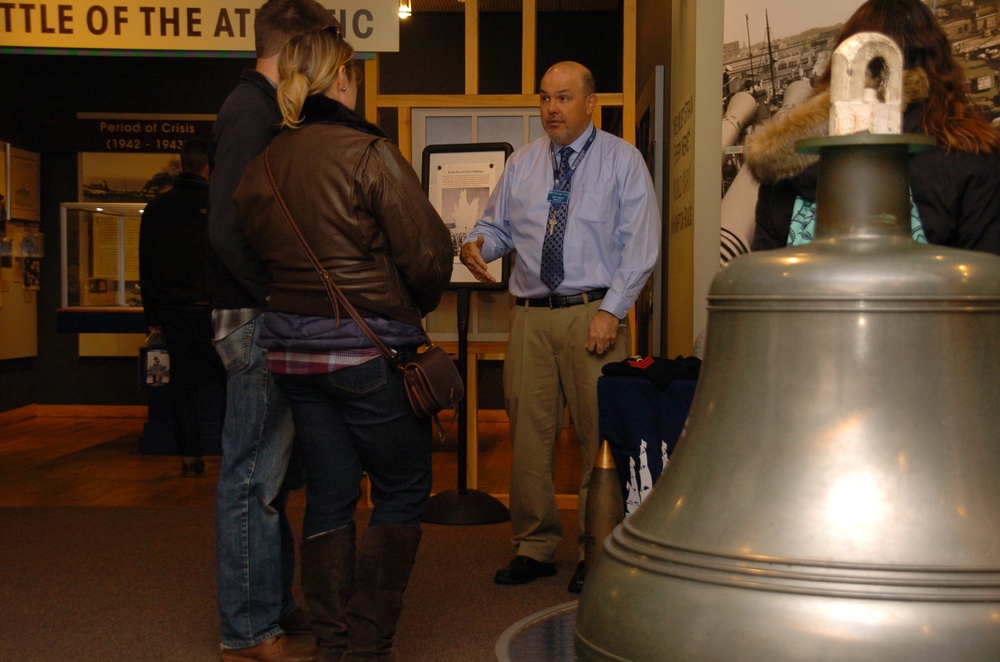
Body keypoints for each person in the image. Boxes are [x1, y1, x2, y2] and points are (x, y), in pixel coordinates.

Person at [233, 26, 453, 661]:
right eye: (354, 74)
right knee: (404, 488)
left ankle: (332, 643)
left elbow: (250, 256)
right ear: (339, 79)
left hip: (292, 362)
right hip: (367, 354)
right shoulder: (366, 152)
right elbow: (429, 253)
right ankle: (366, 646)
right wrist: (413, 307)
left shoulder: (262, 166)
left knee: (328, 491)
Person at [460, 61, 661, 594]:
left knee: (600, 437)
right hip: (529, 317)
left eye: (564, 98)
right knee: (528, 436)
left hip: (593, 315)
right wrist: (478, 244)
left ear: (590, 102)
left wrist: (611, 311)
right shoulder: (523, 164)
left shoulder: (623, 162)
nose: (552, 108)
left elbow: (640, 247)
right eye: (545, 98)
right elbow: (496, 227)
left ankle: (598, 547)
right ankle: (534, 547)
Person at [208, 0, 332, 660]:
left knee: (273, 479)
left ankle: (272, 604)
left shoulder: (262, 109)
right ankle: (249, 629)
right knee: (253, 479)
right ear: (293, 51)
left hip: (264, 315)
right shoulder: (249, 110)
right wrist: (273, 293)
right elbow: (225, 229)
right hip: (255, 318)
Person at [746, 0, 1000, 256]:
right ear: (937, 66)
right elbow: (987, 281)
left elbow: (763, 284)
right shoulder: (969, 158)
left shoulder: (785, 168)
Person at [138, 138, 226, 478]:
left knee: (183, 386)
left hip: (173, 310)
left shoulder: (158, 208)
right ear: (208, 168)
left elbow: (147, 263)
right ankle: (227, 450)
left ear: (182, 164)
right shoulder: (217, 203)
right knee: (227, 382)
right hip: (213, 310)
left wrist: (153, 316)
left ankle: (189, 456)